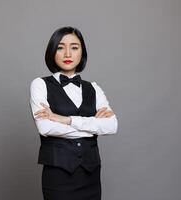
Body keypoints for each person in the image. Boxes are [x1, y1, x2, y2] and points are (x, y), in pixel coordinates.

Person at [29, 26, 118, 200]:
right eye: (61, 47)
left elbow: (112, 126)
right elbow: (46, 128)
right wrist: (93, 125)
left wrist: (65, 120)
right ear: (52, 51)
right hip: (58, 176)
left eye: (74, 47)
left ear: (82, 53)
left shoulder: (94, 88)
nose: (67, 54)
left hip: (90, 175)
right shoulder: (39, 84)